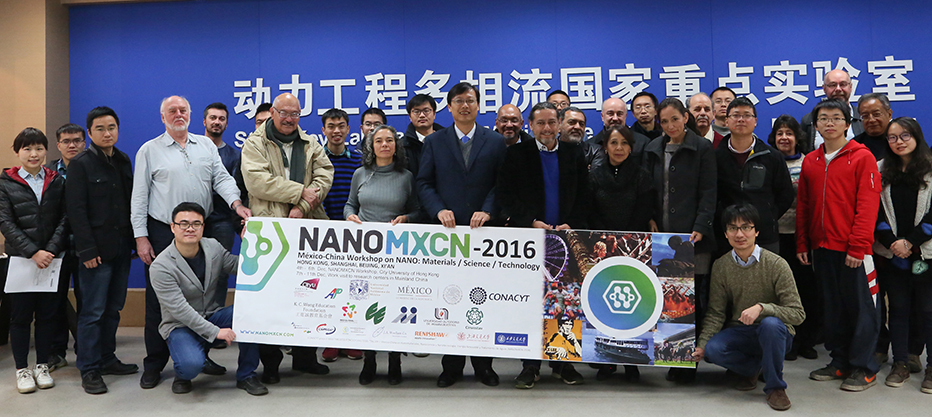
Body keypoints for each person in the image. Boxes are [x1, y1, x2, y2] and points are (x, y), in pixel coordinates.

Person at [132, 95, 250, 389]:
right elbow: (139, 197)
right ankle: (154, 364)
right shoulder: (149, 150)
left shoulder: (205, 145)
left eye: (183, 110)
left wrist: (236, 204)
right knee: (158, 303)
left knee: (205, 297)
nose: (178, 114)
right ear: (163, 117)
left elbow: (222, 179)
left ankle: (200, 354)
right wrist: (141, 237)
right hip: (163, 230)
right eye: (172, 111)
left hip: (200, 228)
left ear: (190, 114)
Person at [240, 92, 334, 383]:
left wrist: (303, 206)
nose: (290, 119)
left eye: (295, 114)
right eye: (284, 113)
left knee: (309, 295)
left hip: (307, 227)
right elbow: (257, 182)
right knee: (271, 299)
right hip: (271, 230)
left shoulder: (310, 143)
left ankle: (305, 358)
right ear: (272, 112)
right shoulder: (255, 143)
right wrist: (299, 192)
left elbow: (324, 175)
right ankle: (271, 364)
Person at [417, 81, 506, 387]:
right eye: (458, 101)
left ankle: (484, 366)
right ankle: (451, 367)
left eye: (470, 100)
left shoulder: (495, 141)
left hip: (483, 235)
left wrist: (489, 210)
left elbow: (501, 183)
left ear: (478, 105)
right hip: (448, 236)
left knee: (482, 299)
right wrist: (438, 210)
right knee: (450, 298)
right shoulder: (434, 141)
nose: (465, 106)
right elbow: (424, 182)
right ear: (449, 107)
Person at [498, 102, 588, 388]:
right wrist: (530, 221)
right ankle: (530, 365)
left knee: (565, 302)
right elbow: (506, 197)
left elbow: (585, 194)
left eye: (551, 122)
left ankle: (563, 363)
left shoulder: (574, 153)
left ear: (559, 124)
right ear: (530, 126)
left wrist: (572, 223)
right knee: (530, 304)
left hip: (565, 239)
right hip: (530, 240)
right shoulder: (516, 154)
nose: (547, 128)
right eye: (540, 123)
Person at [797, 98, 881, 392]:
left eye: (835, 117)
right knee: (832, 309)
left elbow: (868, 205)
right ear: (816, 125)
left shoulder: (862, 157)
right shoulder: (811, 160)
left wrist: (858, 246)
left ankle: (864, 367)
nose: (829, 123)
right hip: (822, 248)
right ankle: (840, 361)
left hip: (853, 251)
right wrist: (803, 242)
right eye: (823, 118)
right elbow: (804, 205)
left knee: (861, 310)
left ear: (847, 123)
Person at [695, 203, 805, 411]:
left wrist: (763, 308)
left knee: (770, 325)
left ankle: (775, 388)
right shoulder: (721, 266)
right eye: (733, 228)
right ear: (725, 233)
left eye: (746, 227)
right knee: (713, 349)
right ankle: (754, 368)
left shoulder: (777, 264)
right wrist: (702, 344)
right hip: (742, 331)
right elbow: (716, 312)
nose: (739, 234)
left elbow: (798, 314)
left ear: (756, 231)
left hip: (776, 333)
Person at [150, 202, 266, 395]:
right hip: (180, 325)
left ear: (203, 227)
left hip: (212, 315)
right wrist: (215, 332)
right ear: (172, 227)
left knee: (249, 313)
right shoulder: (161, 266)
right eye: (183, 223)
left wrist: (250, 244)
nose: (190, 228)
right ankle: (183, 373)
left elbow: (239, 268)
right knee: (190, 365)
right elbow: (180, 311)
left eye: (196, 223)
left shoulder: (212, 247)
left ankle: (247, 375)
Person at [643, 97, 717, 382]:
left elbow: (709, 191)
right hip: (663, 236)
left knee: (692, 300)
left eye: (675, 119)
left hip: (693, 237)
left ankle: (689, 361)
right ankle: (671, 354)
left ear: (686, 117)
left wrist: (701, 225)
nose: (670, 125)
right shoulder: (653, 148)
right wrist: (650, 218)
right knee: (668, 300)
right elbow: (648, 189)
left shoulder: (702, 147)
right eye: (664, 121)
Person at [68, 107, 137, 394]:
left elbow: (130, 202)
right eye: (100, 128)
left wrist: (135, 241)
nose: (107, 133)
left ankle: (107, 358)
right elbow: (76, 210)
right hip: (95, 251)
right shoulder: (80, 164)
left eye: (111, 127)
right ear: (89, 133)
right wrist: (86, 249)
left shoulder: (123, 160)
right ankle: (89, 368)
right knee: (92, 311)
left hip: (121, 248)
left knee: (113, 308)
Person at [345, 124, 421, 385]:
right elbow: (350, 204)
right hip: (365, 253)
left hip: (396, 253)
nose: (385, 144)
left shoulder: (406, 177)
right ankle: (369, 360)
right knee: (367, 305)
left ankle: (394, 359)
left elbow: (417, 211)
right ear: (371, 146)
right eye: (379, 141)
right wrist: (350, 216)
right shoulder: (360, 174)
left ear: (396, 146)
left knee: (394, 305)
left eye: (389, 140)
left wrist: (406, 218)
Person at [0, 128, 67, 394]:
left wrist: (50, 250)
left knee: (48, 316)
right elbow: (6, 222)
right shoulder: (6, 182)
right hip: (21, 260)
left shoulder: (56, 180)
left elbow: (64, 218)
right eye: (27, 148)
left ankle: (41, 365)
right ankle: (22, 369)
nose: (33, 154)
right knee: (20, 318)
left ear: (46, 150)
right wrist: (33, 252)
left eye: (39, 148)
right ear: (17, 152)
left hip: (51, 259)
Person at [587, 124, 656, 382]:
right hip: (603, 248)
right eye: (614, 143)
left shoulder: (641, 175)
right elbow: (589, 209)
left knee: (631, 306)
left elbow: (644, 209)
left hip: (631, 248)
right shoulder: (594, 174)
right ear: (605, 147)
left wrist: (625, 238)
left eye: (624, 143)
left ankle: (631, 361)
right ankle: (607, 362)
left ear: (631, 147)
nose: (619, 148)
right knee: (604, 304)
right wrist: (606, 238)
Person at [872, 117, 932, 393]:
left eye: (905, 135)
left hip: (925, 253)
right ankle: (900, 363)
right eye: (893, 137)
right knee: (898, 310)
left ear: (917, 136)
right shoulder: (880, 169)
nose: (899, 142)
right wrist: (894, 243)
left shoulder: (930, 168)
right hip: (893, 253)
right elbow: (875, 212)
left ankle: (930, 367)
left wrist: (911, 242)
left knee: (928, 311)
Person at [766, 115, 819, 361]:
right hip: (774, 236)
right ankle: (787, 340)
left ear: (798, 137)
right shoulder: (768, 161)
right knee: (779, 291)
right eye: (780, 133)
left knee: (806, 289)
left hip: (802, 237)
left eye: (789, 133)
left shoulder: (809, 162)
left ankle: (806, 340)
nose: (784, 138)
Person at [715, 97, 794, 255]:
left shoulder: (772, 156)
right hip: (727, 237)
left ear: (755, 121)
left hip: (765, 235)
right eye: (736, 115)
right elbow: (711, 195)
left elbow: (785, 194)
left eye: (747, 115)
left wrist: (766, 216)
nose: (741, 119)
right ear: (727, 121)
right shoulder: (715, 157)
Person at [319, 107, 364, 363]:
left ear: (348, 129)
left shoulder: (358, 159)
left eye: (341, 126)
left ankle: (352, 338)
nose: (336, 131)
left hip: (354, 234)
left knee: (353, 289)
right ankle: (331, 339)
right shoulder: (316, 158)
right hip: (324, 234)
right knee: (329, 289)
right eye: (331, 126)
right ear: (323, 130)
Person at [45, 123, 86, 372]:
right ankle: (56, 353)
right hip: (55, 249)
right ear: (58, 145)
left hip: (85, 248)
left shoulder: (92, 167)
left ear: (84, 143)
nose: (72, 145)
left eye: (77, 140)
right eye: (66, 141)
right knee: (55, 303)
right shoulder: (47, 172)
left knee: (87, 302)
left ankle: (86, 352)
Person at [202, 103, 238, 327]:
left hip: (223, 222)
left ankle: (216, 324)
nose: (217, 122)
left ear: (226, 123)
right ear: (204, 121)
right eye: (213, 118)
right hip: (195, 222)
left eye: (221, 119)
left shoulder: (234, 155)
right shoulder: (194, 149)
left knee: (220, 271)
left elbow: (232, 189)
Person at [799, 70, 864, 153]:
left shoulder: (862, 117)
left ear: (851, 87)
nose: (838, 89)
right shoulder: (809, 120)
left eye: (843, 84)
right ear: (824, 88)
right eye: (833, 85)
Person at [585, 98, 649, 168]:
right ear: (602, 116)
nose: (615, 118)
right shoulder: (590, 146)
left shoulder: (642, 143)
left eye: (619, 114)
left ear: (625, 116)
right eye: (610, 114)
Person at [402, 94, 443, 180]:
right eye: (416, 111)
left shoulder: (447, 140)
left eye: (426, 111)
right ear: (410, 116)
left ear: (434, 114)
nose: (422, 115)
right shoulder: (402, 145)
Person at [853, 93, 894, 161]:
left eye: (876, 114)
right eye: (865, 116)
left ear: (889, 114)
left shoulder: (902, 141)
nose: (871, 120)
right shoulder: (854, 146)